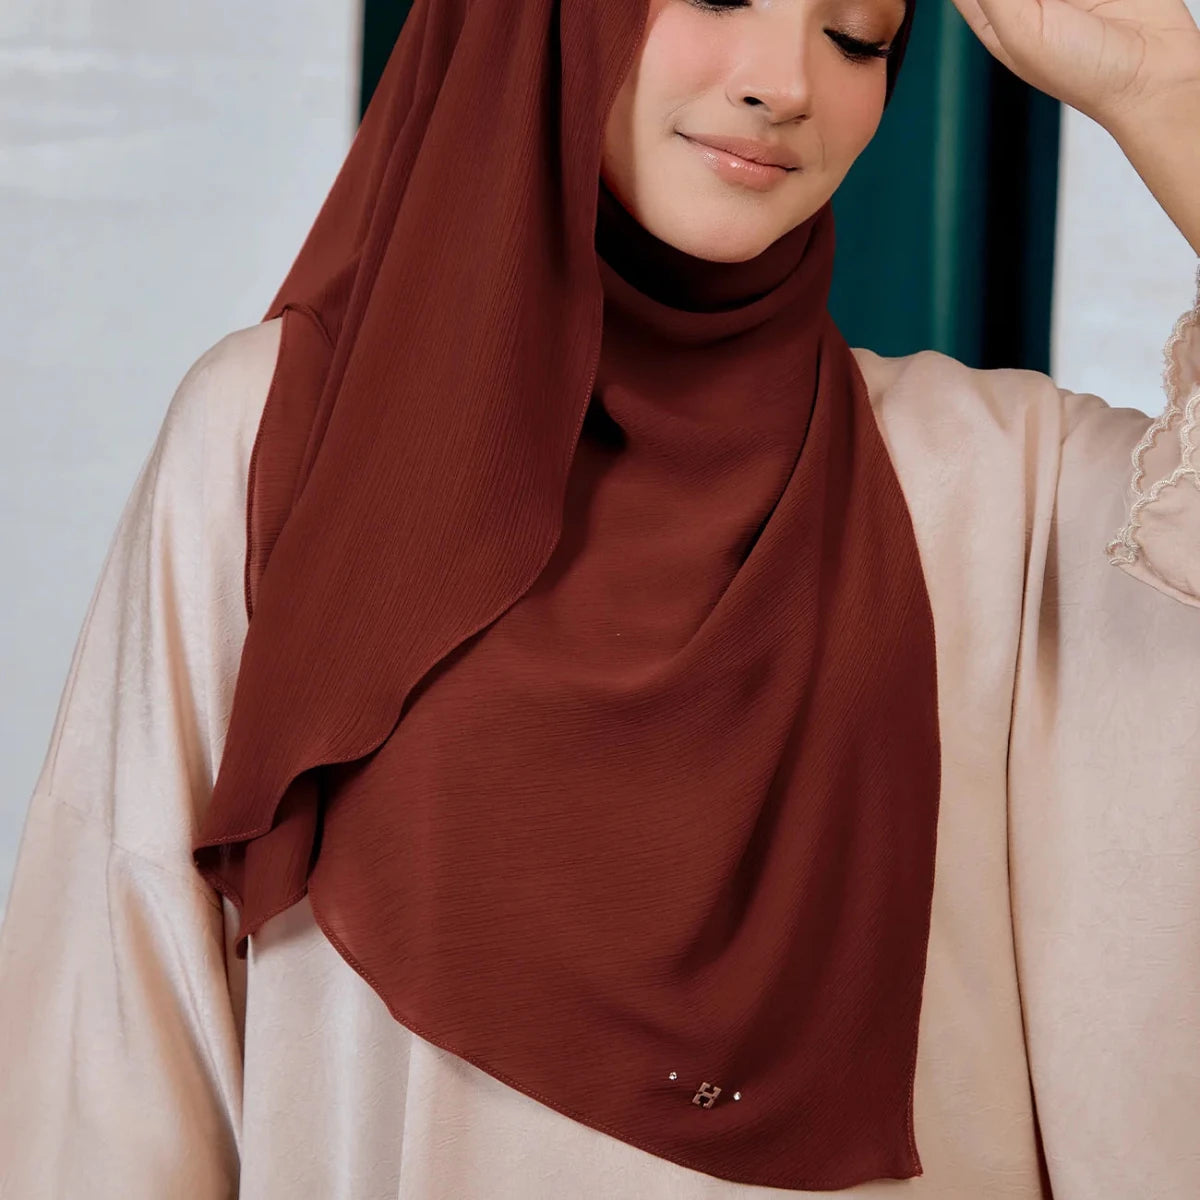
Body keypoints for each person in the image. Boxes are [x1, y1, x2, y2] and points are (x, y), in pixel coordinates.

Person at [1, 0, 1197, 1195]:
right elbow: (118, 1030)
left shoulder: (994, 484)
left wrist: (1165, 89)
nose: (786, 84)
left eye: (855, 38)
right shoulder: (281, 439)